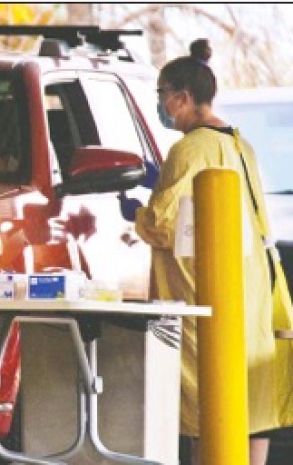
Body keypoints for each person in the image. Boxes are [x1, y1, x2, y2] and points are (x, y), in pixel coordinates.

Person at [133, 43, 293, 465]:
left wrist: (137, 214)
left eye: (162, 93)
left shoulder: (189, 149)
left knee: (205, 401)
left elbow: (162, 224)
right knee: (249, 402)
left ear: (182, 97)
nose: (160, 104)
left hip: (203, 290)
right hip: (249, 288)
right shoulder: (240, 144)